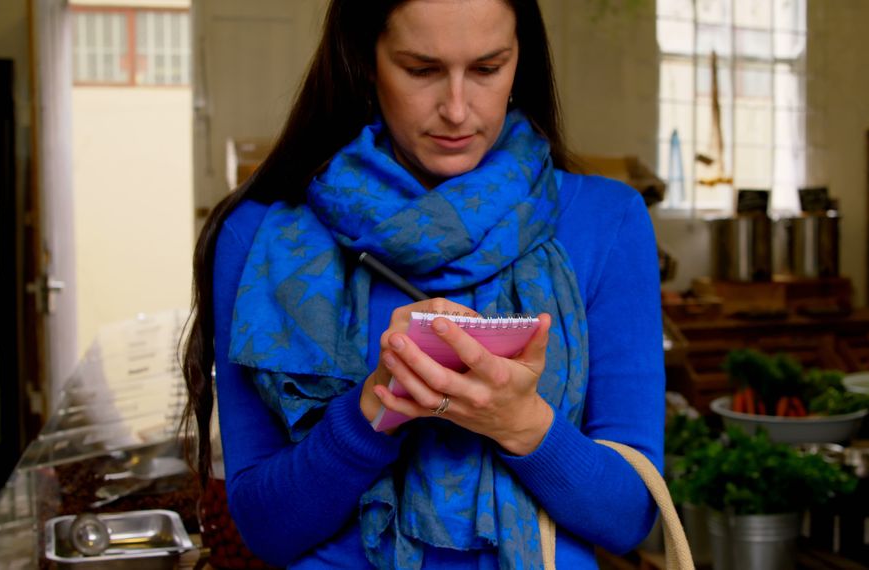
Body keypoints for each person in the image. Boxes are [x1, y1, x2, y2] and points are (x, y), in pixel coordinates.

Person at [180, 0, 665, 568]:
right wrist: (372, 411)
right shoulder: (261, 238)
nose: (457, 110)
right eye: (421, 70)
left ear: (519, 63)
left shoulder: (605, 222)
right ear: (364, 61)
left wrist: (522, 424)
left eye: (487, 69)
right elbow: (265, 530)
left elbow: (629, 518)